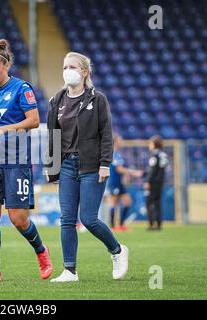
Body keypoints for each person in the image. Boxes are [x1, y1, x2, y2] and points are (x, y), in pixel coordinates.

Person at [46, 52, 128, 282]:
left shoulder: (98, 99)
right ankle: (69, 271)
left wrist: (105, 164)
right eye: (64, 67)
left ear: (84, 72)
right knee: (66, 219)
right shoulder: (56, 101)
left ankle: (117, 251)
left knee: (89, 219)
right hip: (67, 166)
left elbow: (106, 134)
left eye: (72, 66)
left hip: (92, 166)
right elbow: (52, 137)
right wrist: (52, 168)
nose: (67, 71)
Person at [0, 39, 53, 282]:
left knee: (18, 218)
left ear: (6, 66)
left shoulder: (21, 88)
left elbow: (34, 121)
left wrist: (4, 130)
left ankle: (41, 252)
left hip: (17, 160)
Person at [108, 134, 143, 231]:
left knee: (127, 202)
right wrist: (133, 172)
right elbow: (118, 169)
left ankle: (121, 225)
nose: (122, 142)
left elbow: (120, 169)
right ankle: (113, 227)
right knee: (114, 204)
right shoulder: (113, 153)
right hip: (114, 182)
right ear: (116, 142)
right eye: (120, 140)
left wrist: (125, 176)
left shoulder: (118, 154)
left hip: (119, 182)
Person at [144, 135, 168, 231]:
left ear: (154, 144)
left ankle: (151, 224)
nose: (149, 145)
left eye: (150, 143)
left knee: (149, 203)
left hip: (153, 183)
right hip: (160, 182)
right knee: (157, 203)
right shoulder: (163, 154)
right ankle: (158, 224)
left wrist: (148, 181)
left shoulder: (155, 155)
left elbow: (153, 170)